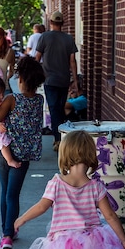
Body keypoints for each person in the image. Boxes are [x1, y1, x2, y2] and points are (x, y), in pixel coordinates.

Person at [0, 56, 46, 249]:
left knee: (5, 192)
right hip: (24, 154)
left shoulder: (11, 99)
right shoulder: (39, 100)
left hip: (6, 152)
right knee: (13, 194)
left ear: (21, 80)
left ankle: (7, 234)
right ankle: (9, 231)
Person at [35, 11, 79, 151]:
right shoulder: (68, 38)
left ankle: (58, 140)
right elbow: (73, 61)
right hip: (64, 79)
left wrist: (35, 76)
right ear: (62, 23)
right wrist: (75, 81)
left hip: (49, 80)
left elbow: (37, 58)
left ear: (51, 22)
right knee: (59, 108)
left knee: (54, 109)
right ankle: (61, 138)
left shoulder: (44, 37)